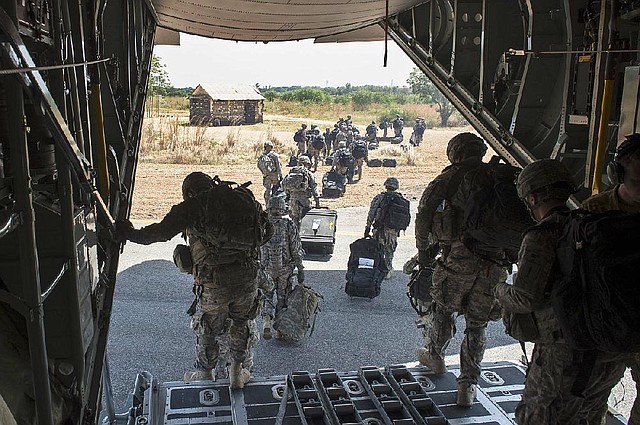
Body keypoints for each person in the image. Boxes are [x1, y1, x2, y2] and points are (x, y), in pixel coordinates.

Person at [493, 159, 628, 424]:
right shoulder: (594, 224)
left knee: (537, 418)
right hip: (609, 352)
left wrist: (499, 289)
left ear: (531, 198)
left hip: (563, 355)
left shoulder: (542, 235)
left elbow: (525, 298)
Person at [117, 172, 273, 389]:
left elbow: (159, 233)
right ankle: (237, 372)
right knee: (241, 322)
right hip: (247, 278)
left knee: (208, 328)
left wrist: (128, 232)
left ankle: (206, 373)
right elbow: (268, 232)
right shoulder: (240, 199)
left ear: (189, 192)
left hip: (213, 283)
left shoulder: (193, 207)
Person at [414, 132, 506, 407]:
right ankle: (467, 384)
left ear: (455, 154)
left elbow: (425, 212)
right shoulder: (499, 177)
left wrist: (422, 250)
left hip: (459, 258)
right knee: (477, 324)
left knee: (443, 309)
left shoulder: (451, 177)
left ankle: (436, 357)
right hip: (495, 263)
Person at [580, 134, 640, 425]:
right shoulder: (594, 210)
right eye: (637, 182)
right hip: (608, 323)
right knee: (592, 399)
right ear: (618, 174)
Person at [260, 195, 305, 340]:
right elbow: (296, 248)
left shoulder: (262, 225)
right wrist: (300, 268)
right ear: (282, 208)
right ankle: (280, 330)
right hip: (285, 269)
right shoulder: (288, 224)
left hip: (266, 269)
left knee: (266, 296)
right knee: (283, 297)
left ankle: (266, 322)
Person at [365, 177, 407, 279]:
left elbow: (372, 213)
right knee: (390, 250)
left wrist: (368, 227)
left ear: (386, 185)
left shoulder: (380, 198)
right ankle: (388, 269)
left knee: (378, 248)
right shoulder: (401, 199)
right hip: (393, 230)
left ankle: (377, 269)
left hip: (381, 229)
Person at [282, 155, 320, 226]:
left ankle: (295, 235)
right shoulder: (308, 174)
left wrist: (288, 196)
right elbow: (314, 189)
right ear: (307, 164)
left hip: (293, 200)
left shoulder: (292, 172)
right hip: (304, 201)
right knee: (305, 221)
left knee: (294, 220)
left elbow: (284, 185)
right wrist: (317, 202)